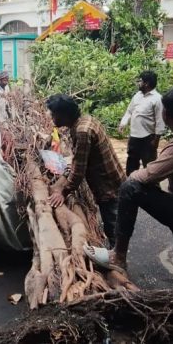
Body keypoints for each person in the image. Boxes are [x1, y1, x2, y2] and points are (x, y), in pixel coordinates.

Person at [88, 88, 173, 292]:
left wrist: (131, 179)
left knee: (130, 186)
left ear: (166, 114)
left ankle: (118, 255)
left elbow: (146, 176)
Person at [46, 94, 125, 245]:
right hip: (110, 181)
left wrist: (63, 191)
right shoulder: (85, 121)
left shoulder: (83, 131)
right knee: (113, 224)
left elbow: (79, 169)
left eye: (54, 114)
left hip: (108, 187)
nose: (52, 118)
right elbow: (78, 160)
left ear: (64, 114)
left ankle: (118, 262)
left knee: (113, 227)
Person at [119, 70, 165, 175]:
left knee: (149, 166)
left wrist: (156, 140)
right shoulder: (137, 95)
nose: (138, 83)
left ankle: (151, 188)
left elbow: (160, 120)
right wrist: (123, 123)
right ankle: (131, 185)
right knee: (131, 162)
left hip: (148, 138)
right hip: (134, 137)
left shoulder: (157, 99)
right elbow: (129, 111)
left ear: (146, 83)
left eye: (140, 81)